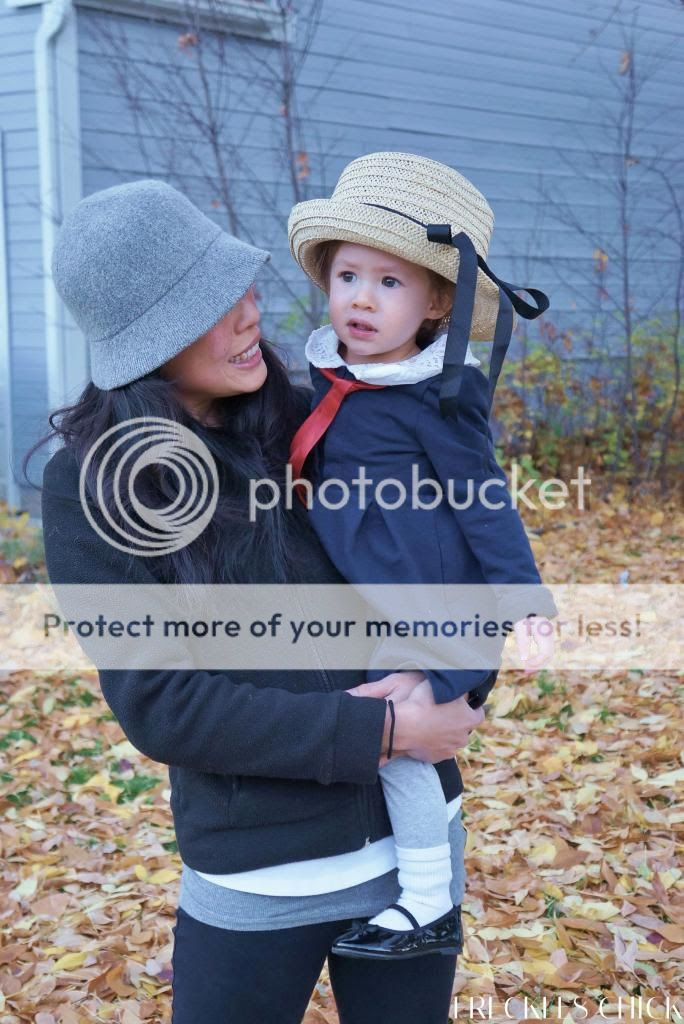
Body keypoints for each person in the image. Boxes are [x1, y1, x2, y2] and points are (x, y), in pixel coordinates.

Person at [31, 178, 487, 1024]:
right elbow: (161, 703)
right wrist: (386, 732)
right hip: (260, 873)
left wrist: (456, 680)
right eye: (213, 305)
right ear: (149, 336)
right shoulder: (93, 486)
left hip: (417, 849)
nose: (249, 315)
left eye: (242, 287)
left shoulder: (320, 422)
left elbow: (460, 561)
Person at [287, 151, 558, 960]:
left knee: (396, 739)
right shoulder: (327, 372)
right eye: (347, 276)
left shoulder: (437, 394)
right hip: (368, 592)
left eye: (390, 282)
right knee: (379, 728)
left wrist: (525, 601)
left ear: (438, 302)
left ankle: (429, 898)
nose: (361, 299)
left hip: (427, 598)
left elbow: (484, 499)